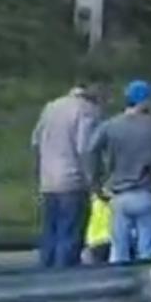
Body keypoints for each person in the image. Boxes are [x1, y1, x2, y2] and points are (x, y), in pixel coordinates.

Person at [86, 80, 151, 263]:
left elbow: (90, 149)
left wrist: (96, 182)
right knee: (148, 252)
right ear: (144, 101)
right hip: (145, 193)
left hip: (119, 196)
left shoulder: (111, 126)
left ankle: (119, 287)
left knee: (119, 251)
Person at [32, 83, 103, 268]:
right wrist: (93, 181)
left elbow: (36, 142)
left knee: (50, 233)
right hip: (73, 181)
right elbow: (85, 148)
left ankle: (45, 275)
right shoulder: (87, 110)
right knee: (70, 234)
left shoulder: (51, 107)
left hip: (48, 181)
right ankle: (65, 280)